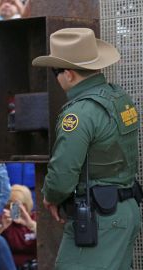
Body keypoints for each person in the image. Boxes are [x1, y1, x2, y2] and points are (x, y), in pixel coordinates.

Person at [33, 28, 141, 269]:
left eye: (56, 72)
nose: (57, 79)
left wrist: (50, 196)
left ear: (69, 74)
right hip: (125, 209)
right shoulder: (119, 98)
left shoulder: (79, 113)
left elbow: (62, 175)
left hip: (100, 219)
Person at [0, 184, 37, 269]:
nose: (15, 209)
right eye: (11, 205)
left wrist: (31, 225)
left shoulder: (36, 218)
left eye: (19, 205)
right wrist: (2, 228)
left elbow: (47, 241)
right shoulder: (4, 221)